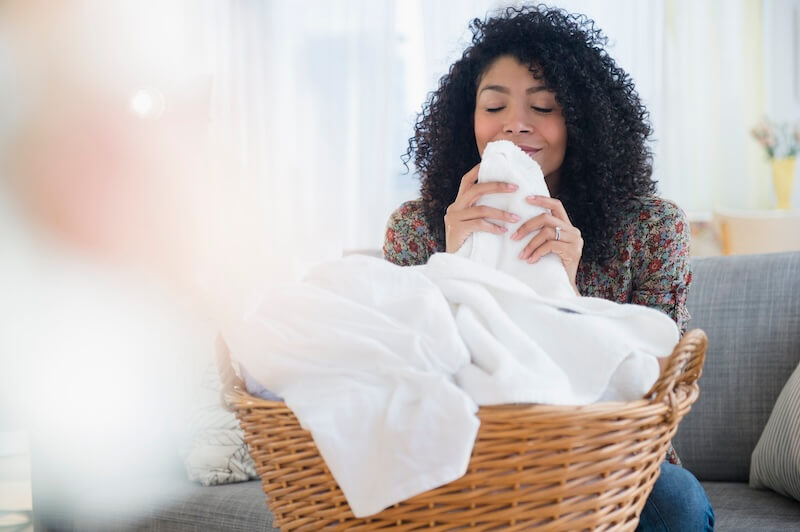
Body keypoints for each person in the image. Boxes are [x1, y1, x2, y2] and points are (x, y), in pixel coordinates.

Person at [383, 5, 713, 531]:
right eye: (494, 106)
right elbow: (397, 373)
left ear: (582, 120)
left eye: (543, 106)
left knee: (675, 502)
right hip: (468, 450)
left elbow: (657, 385)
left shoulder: (651, 227)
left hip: (607, 460)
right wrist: (450, 263)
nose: (516, 124)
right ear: (467, 119)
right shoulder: (417, 227)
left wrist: (569, 291)